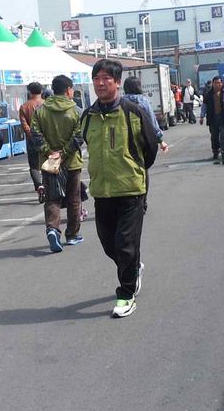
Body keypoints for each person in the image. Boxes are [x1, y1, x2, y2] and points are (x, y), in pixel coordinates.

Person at [75, 59, 158, 318]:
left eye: (106, 79)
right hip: (102, 192)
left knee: (125, 244)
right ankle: (133, 268)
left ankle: (126, 294)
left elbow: (151, 147)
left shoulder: (133, 112)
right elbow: (80, 140)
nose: (100, 83)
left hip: (131, 189)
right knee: (108, 244)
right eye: (96, 78)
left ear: (117, 82)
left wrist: (135, 170)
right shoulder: (88, 116)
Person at [31, 75, 84, 252]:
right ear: (69, 90)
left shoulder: (41, 111)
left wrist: (50, 153)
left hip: (49, 163)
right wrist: (65, 152)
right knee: (73, 199)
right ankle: (72, 235)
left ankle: (53, 229)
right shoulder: (77, 110)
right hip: (72, 162)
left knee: (52, 198)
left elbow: (35, 135)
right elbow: (79, 136)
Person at [122, 77, 169, 154]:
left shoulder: (121, 101)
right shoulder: (143, 100)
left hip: (125, 139)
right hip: (141, 137)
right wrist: (160, 140)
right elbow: (151, 120)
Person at [200, 75, 224, 164]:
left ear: (222, 84)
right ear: (213, 84)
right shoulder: (208, 95)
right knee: (214, 137)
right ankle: (215, 151)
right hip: (212, 119)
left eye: (219, 83)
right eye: (216, 83)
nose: (218, 85)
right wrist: (202, 116)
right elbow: (204, 106)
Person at [17, 82, 44, 200]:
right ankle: (49, 186)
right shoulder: (47, 105)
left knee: (34, 166)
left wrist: (32, 136)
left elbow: (25, 125)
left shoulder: (24, 107)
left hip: (32, 141)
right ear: (41, 91)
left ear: (29, 92)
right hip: (47, 140)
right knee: (48, 164)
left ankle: (39, 186)